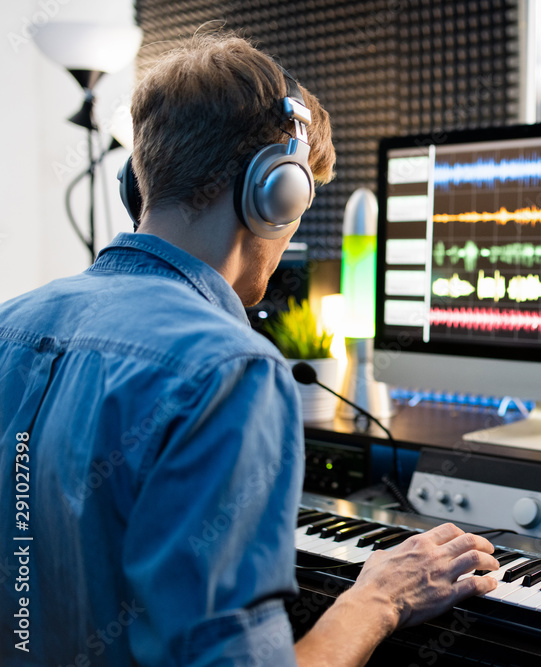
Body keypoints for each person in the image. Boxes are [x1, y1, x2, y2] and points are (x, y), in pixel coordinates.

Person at [0, 33, 497, 666]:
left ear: (137, 184)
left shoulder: (9, 324)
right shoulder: (231, 370)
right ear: (274, 193)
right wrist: (376, 600)